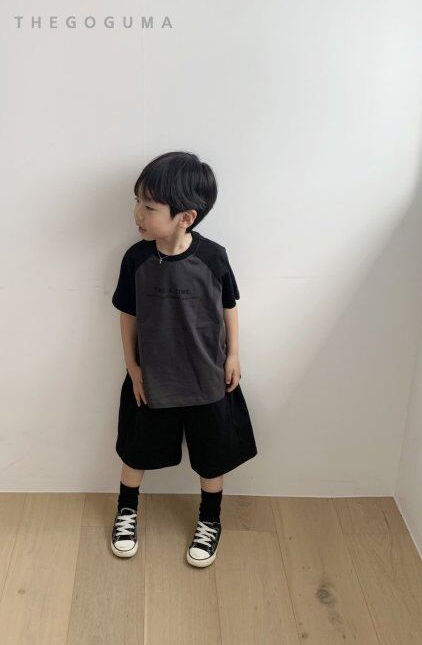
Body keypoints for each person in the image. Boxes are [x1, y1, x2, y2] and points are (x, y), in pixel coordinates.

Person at [110, 151, 258, 568]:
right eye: (137, 202)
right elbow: (128, 314)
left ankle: (210, 519)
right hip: (153, 378)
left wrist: (233, 355)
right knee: (136, 450)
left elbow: (229, 306)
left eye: (149, 207)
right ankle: (126, 509)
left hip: (207, 377)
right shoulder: (136, 259)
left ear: (185, 218)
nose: (138, 214)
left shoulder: (213, 257)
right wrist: (133, 368)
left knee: (212, 455)